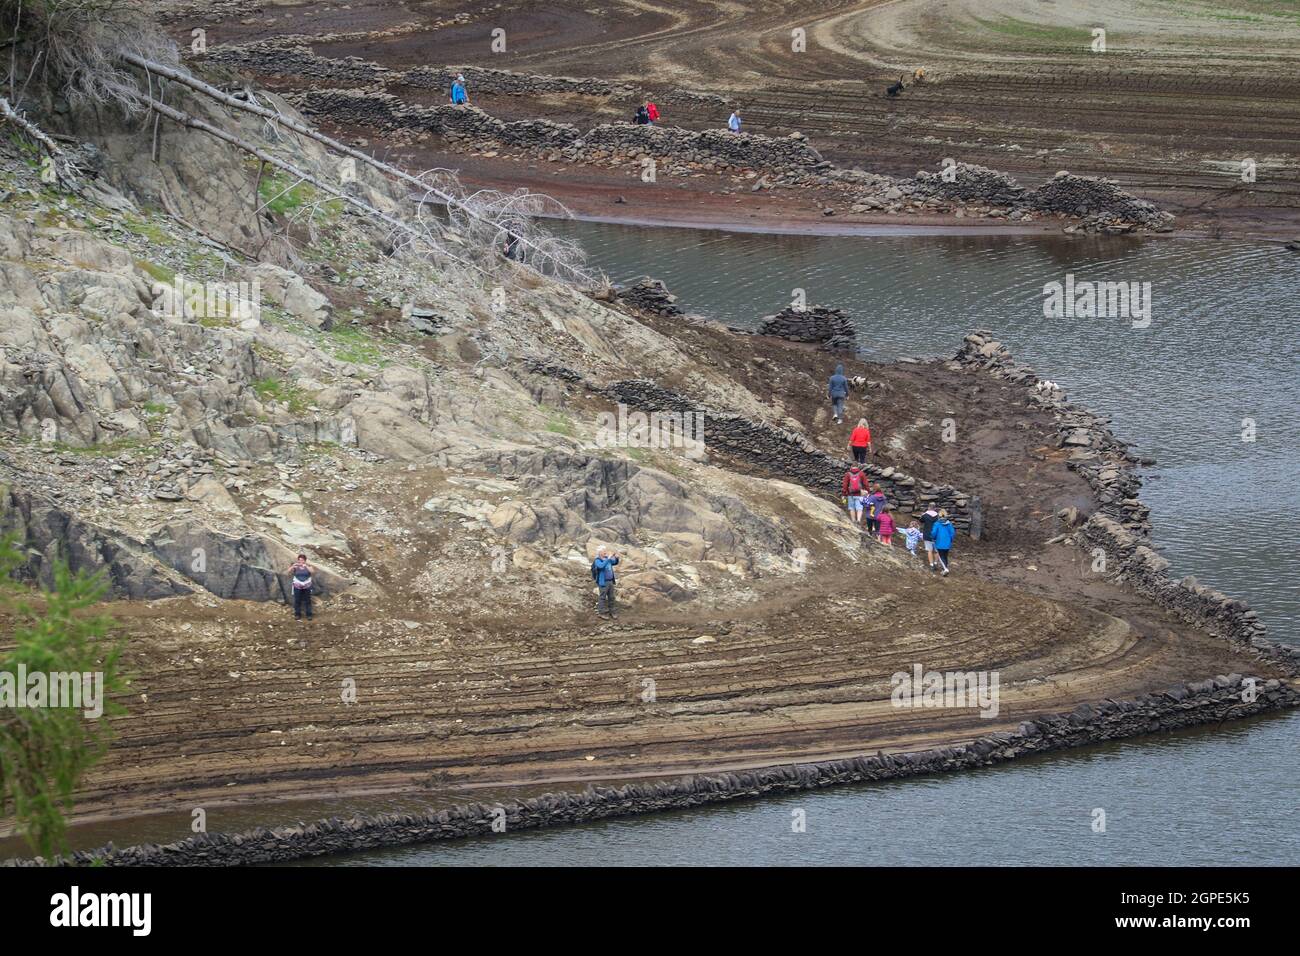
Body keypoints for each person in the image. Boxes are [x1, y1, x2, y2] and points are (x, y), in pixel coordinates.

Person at [591, 547, 621, 618]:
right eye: (604, 551)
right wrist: (608, 558)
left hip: (610, 581)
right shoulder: (597, 560)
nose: (605, 552)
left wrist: (616, 558)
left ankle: (612, 611)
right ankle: (601, 612)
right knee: (602, 597)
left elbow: (614, 562)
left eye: (605, 551)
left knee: (612, 597)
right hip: (603, 582)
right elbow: (601, 566)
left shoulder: (607, 559)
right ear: (600, 553)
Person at [289, 553, 314, 620]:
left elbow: (312, 571)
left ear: (305, 560)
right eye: (299, 560)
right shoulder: (296, 567)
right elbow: (288, 571)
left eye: (302, 560)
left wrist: (306, 566)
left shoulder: (308, 566)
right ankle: (297, 614)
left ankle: (309, 615)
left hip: (307, 585)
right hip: (297, 585)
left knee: (308, 600)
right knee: (297, 600)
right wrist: (293, 566)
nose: (301, 561)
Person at [931, 509, 955, 576]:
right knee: (945, 556)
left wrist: (933, 537)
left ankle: (945, 569)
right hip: (947, 543)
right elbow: (952, 533)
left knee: (941, 556)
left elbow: (934, 533)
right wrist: (951, 540)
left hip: (939, 542)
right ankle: (944, 568)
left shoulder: (937, 523)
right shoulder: (949, 524)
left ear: (939, 515)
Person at [920, 504, 940, 570]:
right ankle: (936, 563)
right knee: (937, 550)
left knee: (929, 550)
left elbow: (921, 520)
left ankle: (931, 565)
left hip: (927, 534)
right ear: (934, 508)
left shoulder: (925, 515)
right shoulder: (938, 516)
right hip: (937, 535)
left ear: (928, 507)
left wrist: (923, 514)